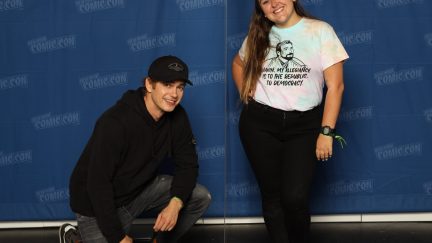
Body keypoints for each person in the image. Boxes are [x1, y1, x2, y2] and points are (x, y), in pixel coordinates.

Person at [59, 55, 211, 243]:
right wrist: (119, 238)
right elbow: (97, 184)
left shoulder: (177, 117)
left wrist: (175, 204)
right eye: (168, 84)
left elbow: (188, 165)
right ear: (149, 84)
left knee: (199, 196)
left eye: (180, 87)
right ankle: (76, 238)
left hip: (138, 191)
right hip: (95, 206)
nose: (174, 94)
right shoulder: (115, 122)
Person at [231, 1, 348, 243]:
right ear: (261, 9)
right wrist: (248, 93)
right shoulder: (258, 35)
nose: (274, 4)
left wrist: (326, 132)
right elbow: (238, 64)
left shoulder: (320, 30)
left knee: (294, 198)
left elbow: (336, 86)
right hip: (259, 125)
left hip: (304, 126)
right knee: (272, 197)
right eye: (265, 1)